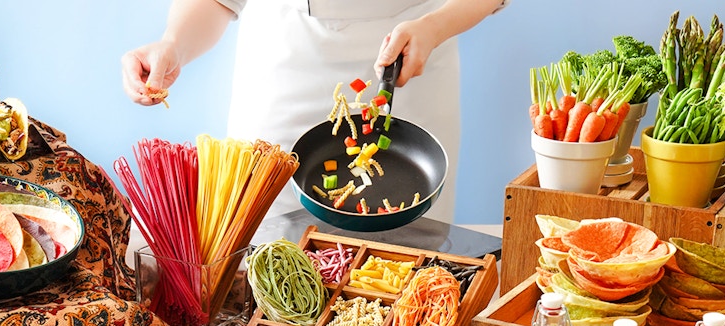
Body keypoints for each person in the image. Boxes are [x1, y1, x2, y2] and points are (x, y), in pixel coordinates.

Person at [121, 0, 507, 223]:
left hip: (417, 45)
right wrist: (174, 43)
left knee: (409, 260)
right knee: (267, 255)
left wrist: (435, 27)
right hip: (284, 55)